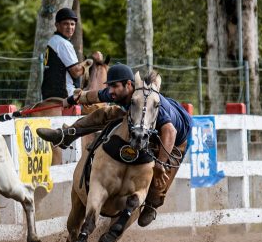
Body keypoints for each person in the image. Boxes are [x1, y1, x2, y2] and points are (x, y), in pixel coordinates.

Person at [37, 63, 192, 227]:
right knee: (107, 113)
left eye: (115, 86)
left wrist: (160, 164)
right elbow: (97, 95)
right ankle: (66, 135)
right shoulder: (119, 93)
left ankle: (152, 204)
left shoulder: (152, 105)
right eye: (109, 86)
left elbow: (170, 132)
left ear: (129, 85)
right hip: (140, 122)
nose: (111, 90)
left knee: (160, 178)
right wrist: (75, 98)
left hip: (174, 136)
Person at [40, 7, 90, 100]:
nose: (70, 27)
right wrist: (90, 63)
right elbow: (76, 72)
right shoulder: (63, 43)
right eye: (65, 24)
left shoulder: (52, 41)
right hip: (66, 94)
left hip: (49, 94)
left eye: (72, 24)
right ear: (57, 25)